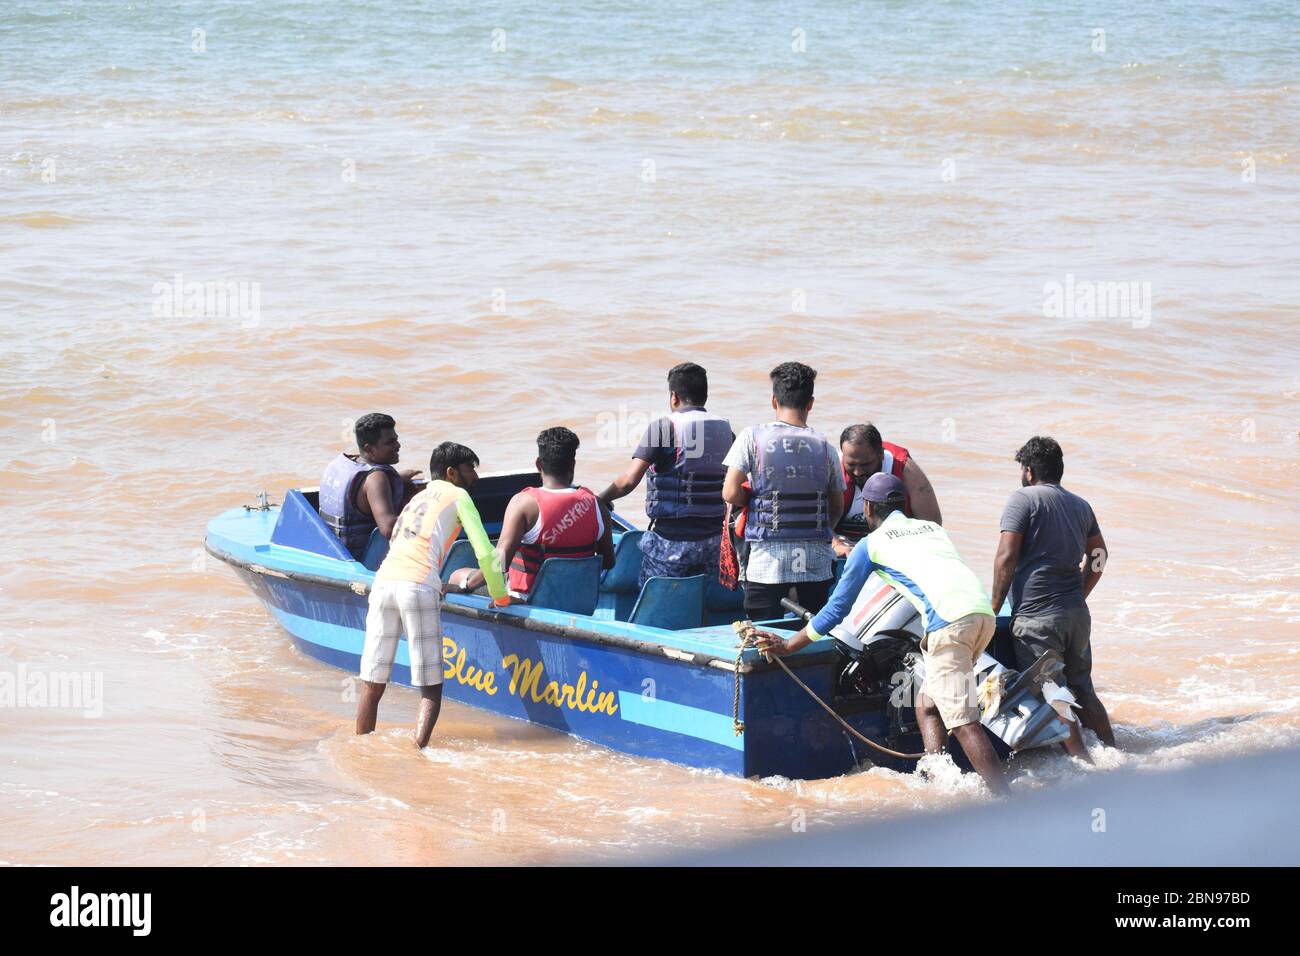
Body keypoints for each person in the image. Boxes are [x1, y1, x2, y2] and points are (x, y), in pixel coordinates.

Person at [754, 473, 1010, 797]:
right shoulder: (933, 529)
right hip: (982, 615)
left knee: (961, 721)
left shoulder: (870, 545)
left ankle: (1006, 803)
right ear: (902, 504)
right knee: (928, 703)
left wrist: (791, 644)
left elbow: (836, 611)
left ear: (869, 508)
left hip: (948, 625)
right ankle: (939, 780)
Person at [355, 442, 508, 747]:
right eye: (470, 470)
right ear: (452, 473)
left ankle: (360, 748)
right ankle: (417, 753)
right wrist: (501, 597)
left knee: (372, 682)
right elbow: (487, 553)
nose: (475, 477)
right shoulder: (460, 495)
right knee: (431, 688)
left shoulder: (417, 496)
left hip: (384, 582)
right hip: (417, 585)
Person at [991, 436, 1115, 756]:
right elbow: (1099, 556)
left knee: (1052, 693)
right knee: (1082, 689)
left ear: (1029, 471)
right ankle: (1113, 753)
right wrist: (1080, 593)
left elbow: (1005, 558)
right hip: (1075, 614)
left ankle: (1084, 764)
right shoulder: (1080, 505)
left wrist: (992, 610)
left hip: (1037, 619)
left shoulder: (1023, 499)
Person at [722, 362, 844, 620]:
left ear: (773, 400)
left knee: (763, 634)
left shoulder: (751, 437)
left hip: (768, 562)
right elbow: (837, 506)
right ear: (810, 403)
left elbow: (730, 492)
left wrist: (753, 499)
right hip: (815, 563)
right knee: (811, 631)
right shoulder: (826, 447)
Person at [598, 363, 733, 586]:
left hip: (672, 541)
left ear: (674, 397)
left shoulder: (662, 427)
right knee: (704, 600)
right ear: (704, 396)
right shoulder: (726, 431)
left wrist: (600, 499)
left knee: (652, 592)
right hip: (714, 543)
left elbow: (628, 481)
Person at [487, 427, 615, 602]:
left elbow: (498, 562)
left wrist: (467, 584)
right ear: (573, 464)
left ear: (538, 464)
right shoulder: (597, 505)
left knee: (458, 575)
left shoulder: (523, 503)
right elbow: (608, 561)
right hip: (579, 602)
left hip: (528, 602)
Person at [320, 413, 421, 560]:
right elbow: (388, 528)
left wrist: (397, 479)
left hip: (333, 548)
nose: (398, 446)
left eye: (397, 440)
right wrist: (426, 517)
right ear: (369, 449)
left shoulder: (342, 463)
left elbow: (362, 491)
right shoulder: (376, 478)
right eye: (390, 442)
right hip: (359, 558)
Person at [833, 423, 942, 556]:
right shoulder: (833, 470)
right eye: (851, 465)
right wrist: (836, 544)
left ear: (881, 454)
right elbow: (815, 526)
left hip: (895, 547)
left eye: (866, 464)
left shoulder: (906, 470)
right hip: (846, 547)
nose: (858, 472)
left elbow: (932, 527)